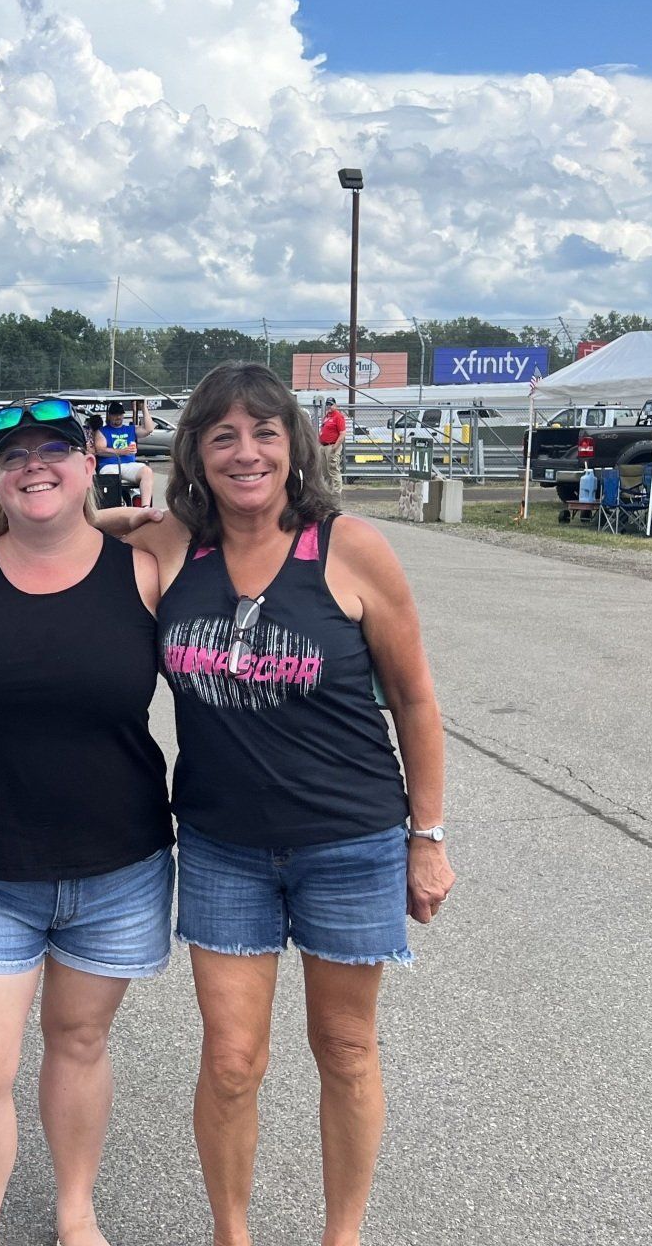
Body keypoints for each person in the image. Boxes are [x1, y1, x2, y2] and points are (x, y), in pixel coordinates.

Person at [120, 360, 455, 1246]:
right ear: (194, 450)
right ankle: (233, 1234)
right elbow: (52, 534)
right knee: (232, 1062)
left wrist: (428, 836)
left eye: (264, 432)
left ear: (293, 445)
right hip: (225, 844)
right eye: (222, 434)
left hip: (350, 841)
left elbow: (416, 698)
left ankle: (340, 1235)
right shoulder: (171, 547)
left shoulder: (348, 548)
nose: (245, 452)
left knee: (344, 1050)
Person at [0, 397, 171, 1246]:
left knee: (78, 1043)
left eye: (54, 451)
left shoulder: (146, 564)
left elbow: (247, 521)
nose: (36, 465)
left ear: (88, 461)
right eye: (15, 456)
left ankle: (76, 1212)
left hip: (120, 865)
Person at [93, 399, 156, 507]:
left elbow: (149, 429)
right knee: (110, 479)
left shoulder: (130, 429)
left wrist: (143, 408)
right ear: (110, 416)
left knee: (147, 471)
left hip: (129, 465)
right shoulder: (102, 431)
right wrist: (121, 452)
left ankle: (145, 507)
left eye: (120, 414)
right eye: (115, 415)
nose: (118, 417)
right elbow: (100, 450)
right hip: (109, 466)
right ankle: (113, 508)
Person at [318, 398, 349, 499]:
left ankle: (336, 493)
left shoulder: (338, 416)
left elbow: (342, 433)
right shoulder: (326, 417)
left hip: (332, 446)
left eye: (331, 404)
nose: (329, 406)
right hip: (323, 446)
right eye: (327, 404)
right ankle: (328, 492)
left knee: (333, 470)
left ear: (335, 405)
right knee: (325, 471)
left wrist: (335, 446)